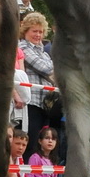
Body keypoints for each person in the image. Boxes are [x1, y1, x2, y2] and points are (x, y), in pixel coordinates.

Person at [17, 12, 55, 142]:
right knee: (30, 140)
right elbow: (46, 68)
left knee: (41, 143)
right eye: (34, 31)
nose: (38, 35)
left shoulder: (43, 51)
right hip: (31, 102)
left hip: (45, 104)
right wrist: (53, 68)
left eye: (41, 32)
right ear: (25, 31)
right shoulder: (23, 47)